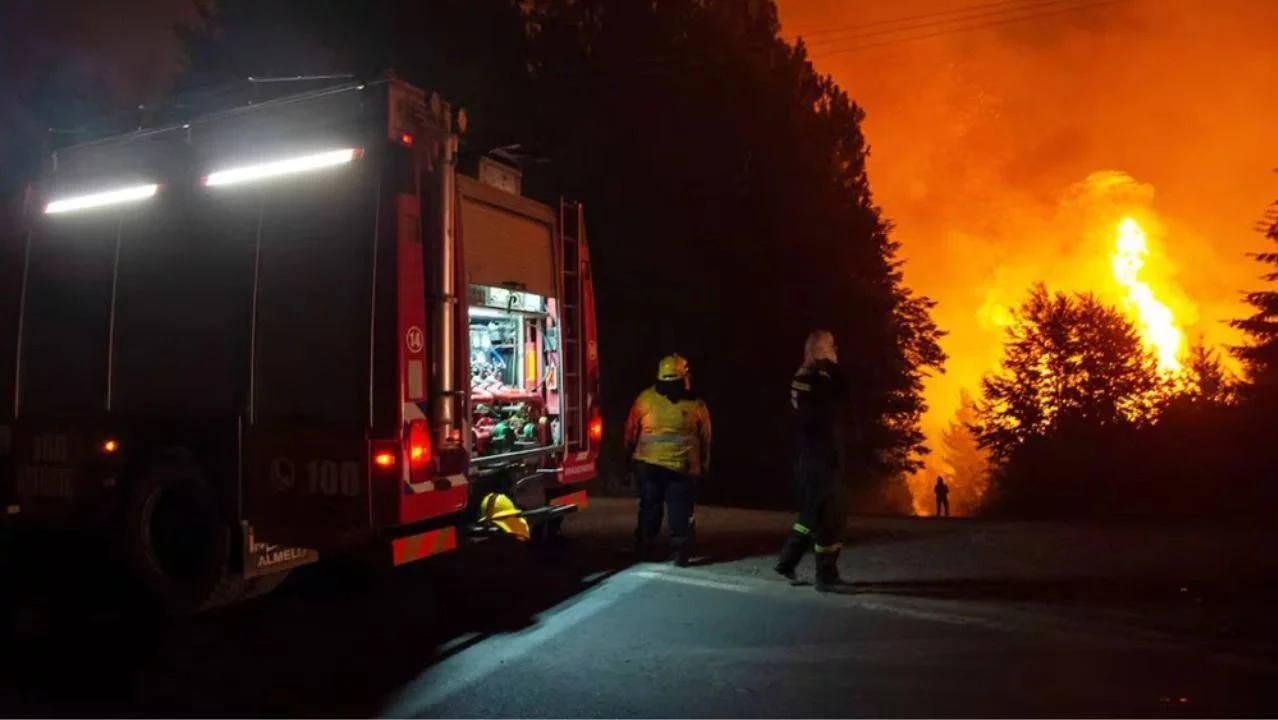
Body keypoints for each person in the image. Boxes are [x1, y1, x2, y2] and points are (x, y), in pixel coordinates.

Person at [774, 330, 852, 592]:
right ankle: (826, 575)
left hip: (817, 457)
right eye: (832, 346)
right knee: (831, 514)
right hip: (817, 458)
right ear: (821, 350)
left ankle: (788, 561)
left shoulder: (810, 376)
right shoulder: (812, 378)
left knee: (812, 513)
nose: (836, 350)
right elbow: (843, 391)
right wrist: (828, 363)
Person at [624, 354, 712, 566]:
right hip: (681, 469)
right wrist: (704, 464)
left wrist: (628, 457)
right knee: (680, 510)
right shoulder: (696, 405)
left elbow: (630, 432)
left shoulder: (644, 399)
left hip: (649, 466)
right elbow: (706, 438)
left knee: (650, 508)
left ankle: (645, 548)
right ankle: (681, 552)